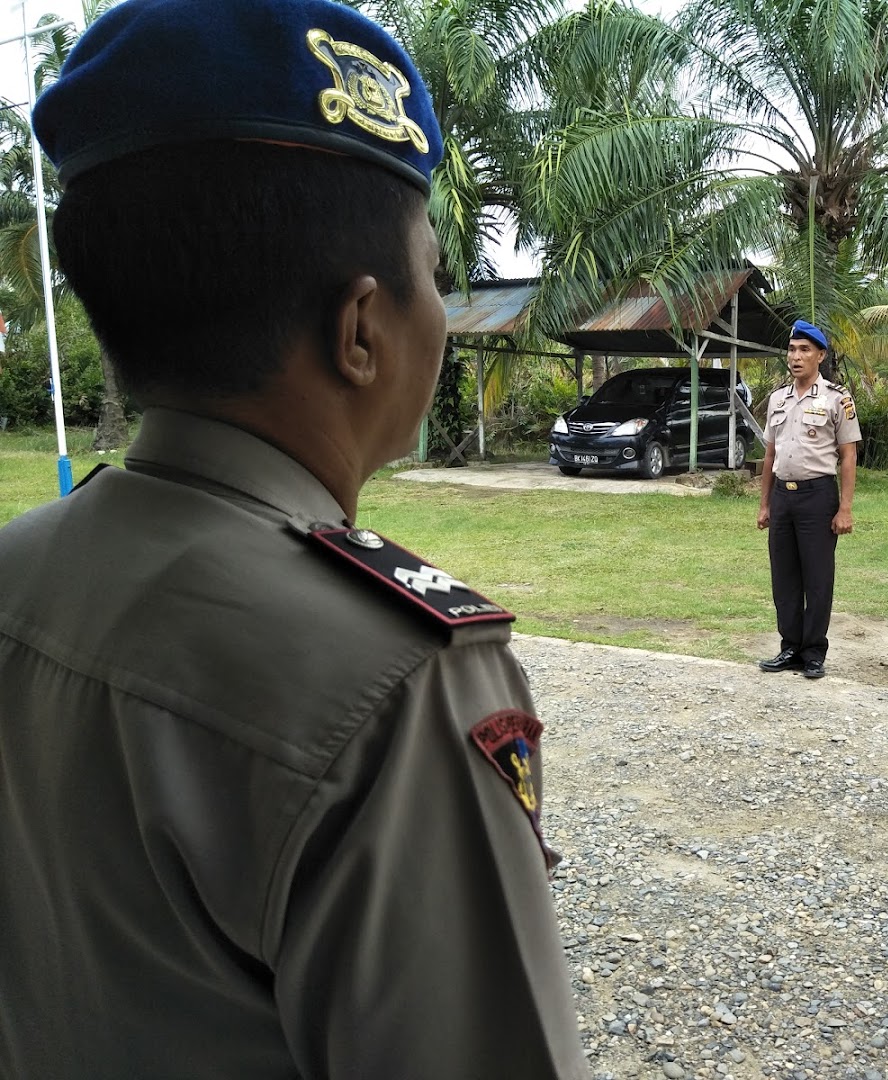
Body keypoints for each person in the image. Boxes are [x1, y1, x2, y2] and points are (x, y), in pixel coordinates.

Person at [0, 2, 588, 1077]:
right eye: (432, 270)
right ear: (361, 327)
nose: (445, 317)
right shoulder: (393, 683)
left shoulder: (19, 570)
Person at [756, 320, 862, 679]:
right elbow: (770, 455)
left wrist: (844, 508)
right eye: (792, 349)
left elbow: (848, 456)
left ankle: (814, 652)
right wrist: (765, 504)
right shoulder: (777, 399)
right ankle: (790, 647)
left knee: (817, 578)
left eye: (804, 350)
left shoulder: (837, 398)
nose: (796, 356)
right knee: (783, 577)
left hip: (818, 496)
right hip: (783, 498)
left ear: (820, 355)